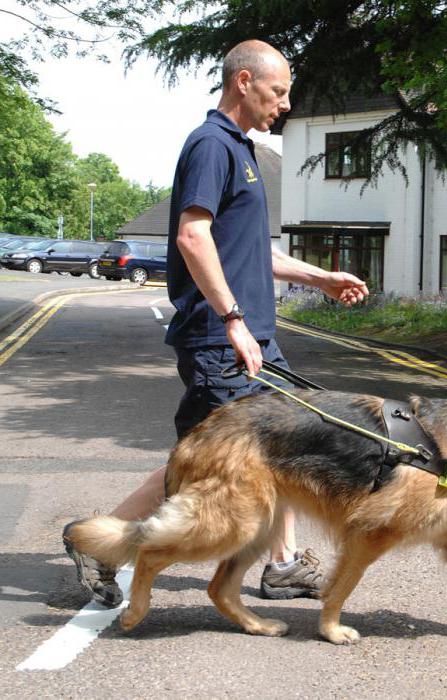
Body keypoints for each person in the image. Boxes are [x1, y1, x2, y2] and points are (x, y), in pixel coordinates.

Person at [63, 39, 368, 607]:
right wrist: (231, 319)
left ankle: (280, 564)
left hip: (252, 337)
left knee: (280, 442)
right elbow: (192, 236)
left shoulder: (242, 150)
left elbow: (252, 251)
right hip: (222, 338)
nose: (284, 105)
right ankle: (98, 542)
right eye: (278, 92)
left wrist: (320, 278)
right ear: (245, 82)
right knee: (205, 460)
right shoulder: (211, 146)